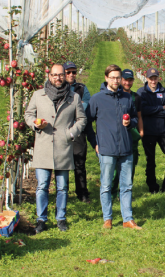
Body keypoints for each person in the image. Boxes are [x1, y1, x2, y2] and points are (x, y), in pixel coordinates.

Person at [25, 63, 86, 233]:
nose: (58, 78)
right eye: (54, 75)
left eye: (60, 75)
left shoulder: (73, 97)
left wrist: (70, 133)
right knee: (42, 185)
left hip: (63, 146)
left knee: (62, 186)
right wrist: (35, 125)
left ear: (64, 76)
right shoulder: (38, 95)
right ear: (49, 76)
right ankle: (41, 219)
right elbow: (29, 115)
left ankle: (61, 218)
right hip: (44, 145)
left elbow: (82, 119)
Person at [85, 64, 142, 230]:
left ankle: (127, 219)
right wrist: (94, 143)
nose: (116, 80)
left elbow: (134, 118)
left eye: (118, 77)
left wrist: (130, 122)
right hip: (107, 148)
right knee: (106, 185)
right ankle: (107, 218)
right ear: (106, 78)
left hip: (126, 148)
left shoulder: (126, 98)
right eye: (113, 77)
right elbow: (87, 122)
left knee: (127, 185)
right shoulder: (97, 99)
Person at [138, 67, 165, 196]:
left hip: (164, 131)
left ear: (158, 78)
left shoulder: (164, 92)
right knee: (151, 160)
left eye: (155, 78)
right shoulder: (141, 93)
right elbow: (143, 110)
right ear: (147, 78)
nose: (153, 80)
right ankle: (152, 186)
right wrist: (160, 107)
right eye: (151, 78)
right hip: (149, 131)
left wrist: (153, 110)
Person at [63, 61, 93, 203]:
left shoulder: (81, 88)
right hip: (62, 131)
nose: (71, 75)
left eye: (73, 72)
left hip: (78, 129)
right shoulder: (58, 88)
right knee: (62, 163)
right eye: (68, 72)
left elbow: (85, 104)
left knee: (80, 162)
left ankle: (82, 192)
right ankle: (63, 193)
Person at [111, 68, 144, 197]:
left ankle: (124, 192)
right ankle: (112, 191)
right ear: (120, 80)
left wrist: (141, 132)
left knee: (130, 164)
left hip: (132, 134)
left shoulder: (136, 97)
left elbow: (139, 116)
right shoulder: (115, 95)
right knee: (114, 165)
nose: (127, 83)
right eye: (125, 80)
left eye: (130, 80)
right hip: (117, 134)